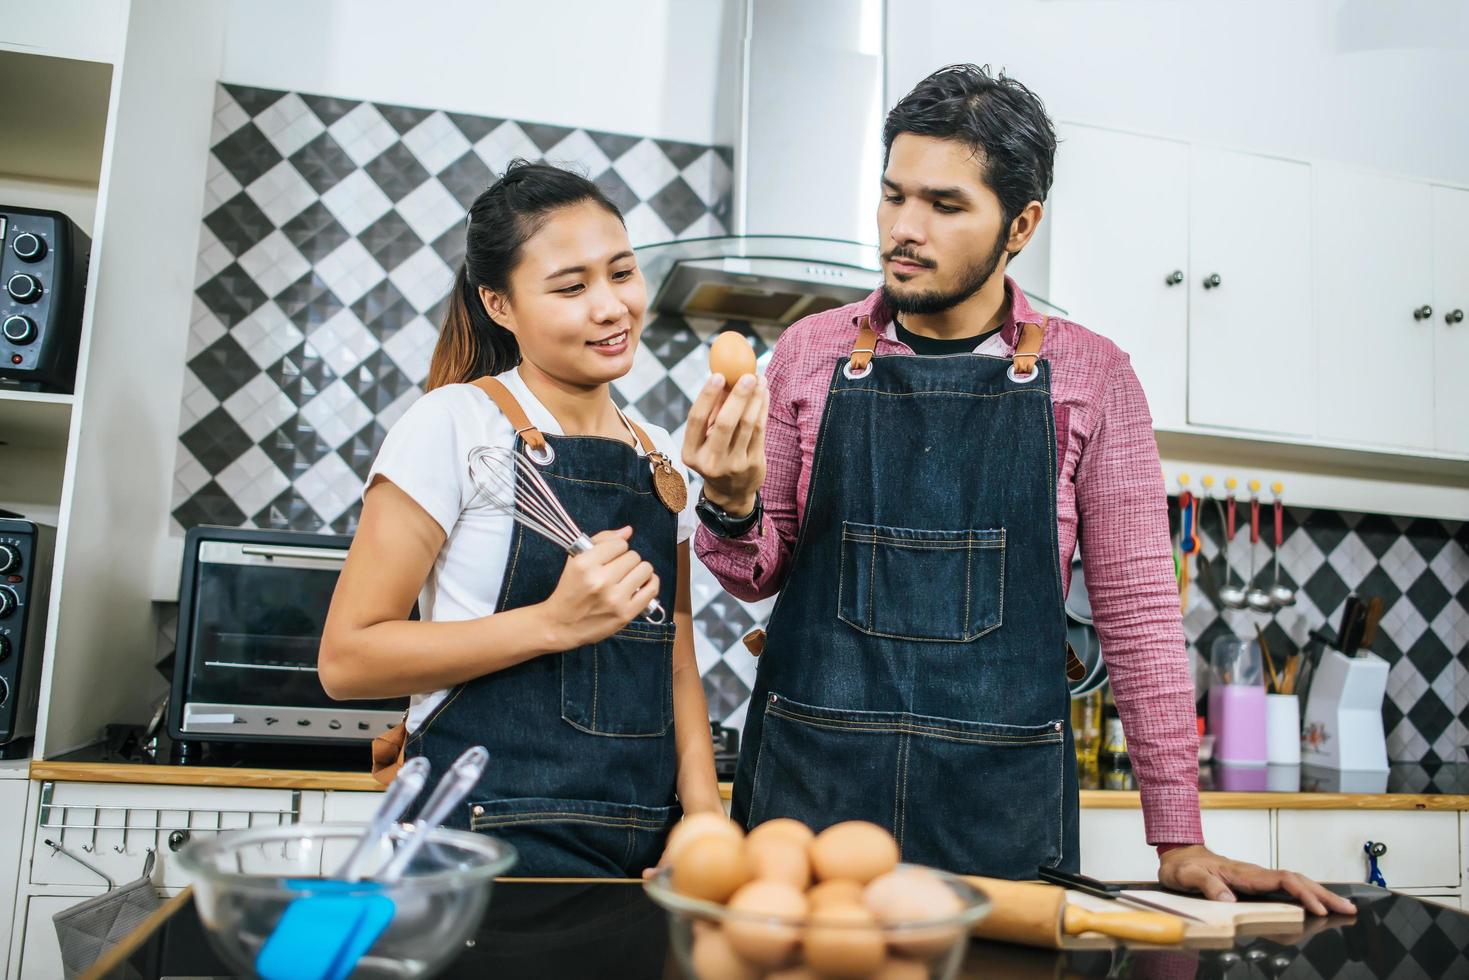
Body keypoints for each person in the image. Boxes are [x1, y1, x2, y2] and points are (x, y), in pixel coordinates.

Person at [684, 66, 1353, 914]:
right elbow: (754, 573)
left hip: (998, 805)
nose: (903, 229)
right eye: (892, 197)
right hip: (809, 794)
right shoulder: (809, 354)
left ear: (1019, 224)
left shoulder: (1093, 376)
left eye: (944, 204)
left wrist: (1177, 839)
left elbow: (1139, 613)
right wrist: (731, 501)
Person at [320, 160, 721, 877]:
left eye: (621, 273)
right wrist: (550, 624)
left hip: (638, 845)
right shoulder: (453, 423)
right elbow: (348, 660)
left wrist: (701, 826)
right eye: (571, 287)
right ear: (499, 304)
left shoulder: (659, 459)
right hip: (476, 843)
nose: (610, 307)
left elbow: (676, 652)